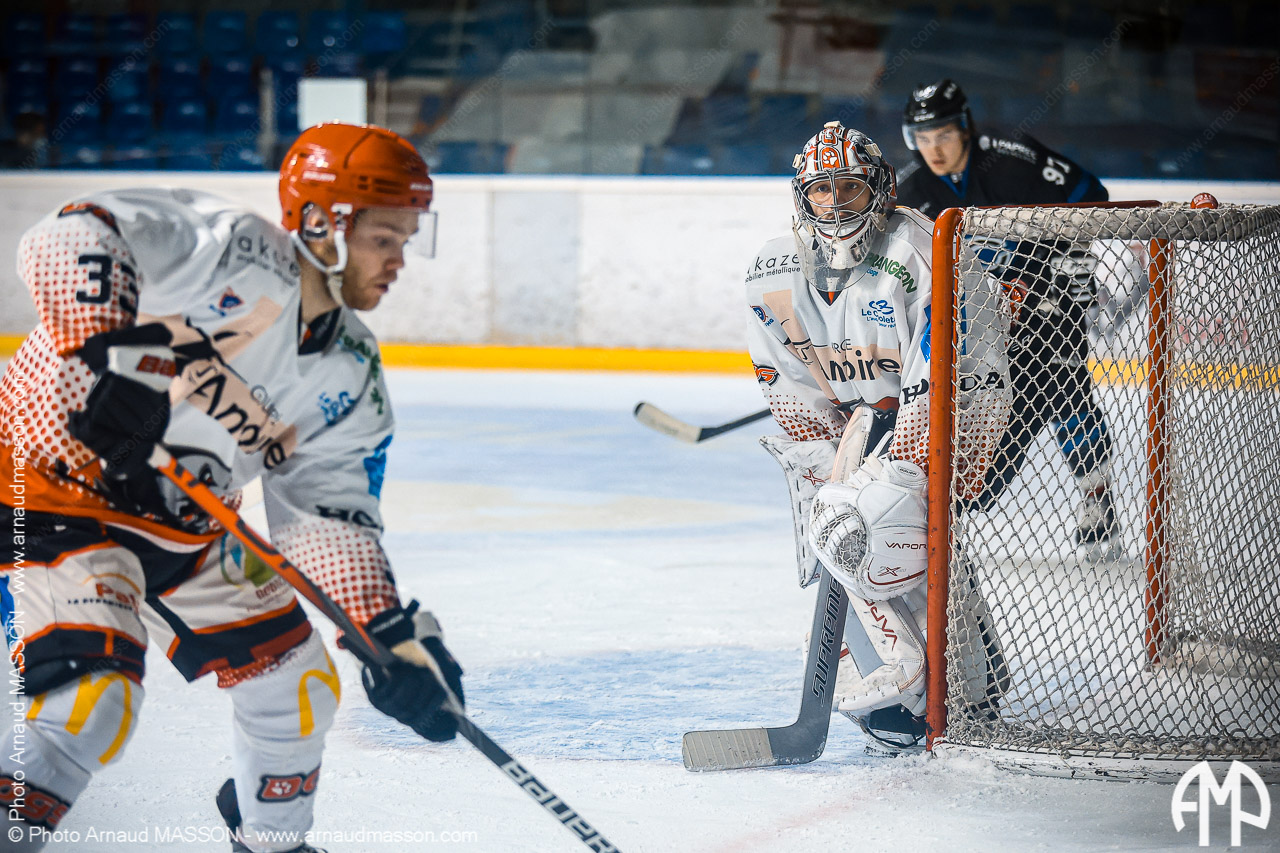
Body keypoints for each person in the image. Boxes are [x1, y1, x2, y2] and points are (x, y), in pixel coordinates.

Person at [0, 122, 463, 853]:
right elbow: (69, 233)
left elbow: (326, 518)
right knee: (89, 703)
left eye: (408, 240)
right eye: (385, 238)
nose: (399, 261)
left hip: (183, 523)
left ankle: (272, 843)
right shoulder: (226, 247)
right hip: (42, 487)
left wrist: (386, 639)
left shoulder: (351, 372)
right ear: (323, 223)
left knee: (298, 689)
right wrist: (103, 346)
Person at [746, 121, 1009, 746]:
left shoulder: (919, 249)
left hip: (951, 410)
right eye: (821, 191)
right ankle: (959, 681)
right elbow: (787, 381)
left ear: (881, 188)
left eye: (850, 189)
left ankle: (940, 681)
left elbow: (948, 367)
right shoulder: (772, 271)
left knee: (889, 527)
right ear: (801, 197)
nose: (835, 205)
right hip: (859, 425)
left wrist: (892, 474)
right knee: (845, 533)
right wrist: (827, 466)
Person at [896, 79, 1121, 552]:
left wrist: (1066, 261)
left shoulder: (1012, 159)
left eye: (943, 135)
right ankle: (950, 510)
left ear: (965, 128)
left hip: (1047, 306)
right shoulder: (911, 191)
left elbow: (1091, 193)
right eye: (923, 138)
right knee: (977, 421)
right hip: (980, 325)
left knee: (1067, 392)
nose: (934, 149)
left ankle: (1096, 498)